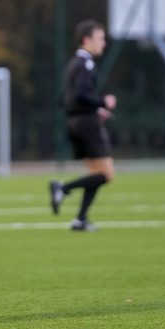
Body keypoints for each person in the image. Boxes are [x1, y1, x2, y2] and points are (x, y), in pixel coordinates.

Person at [49, 20, 117, 232]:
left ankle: (81, 219)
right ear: (86, 40)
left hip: (75, 122)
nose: (103, 43)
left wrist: (94, 110)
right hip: (86, 125)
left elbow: (64, 99)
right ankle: (62, 188)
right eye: (100, 39)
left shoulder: (73, 64)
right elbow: (81, 94)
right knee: (106, 174)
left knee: (96, 174)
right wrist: (103, 102)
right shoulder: (86, 63)